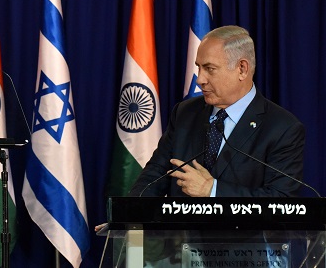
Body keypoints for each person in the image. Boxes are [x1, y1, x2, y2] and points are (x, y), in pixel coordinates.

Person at [129, 25, 305, 198]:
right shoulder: (185, 113)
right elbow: (154, 176)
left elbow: (281, 199)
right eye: (198, 67)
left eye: (209, 69)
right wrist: (128, 217)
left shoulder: (282, 128)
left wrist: (212, 191)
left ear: (242, 69)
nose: (200, 79)